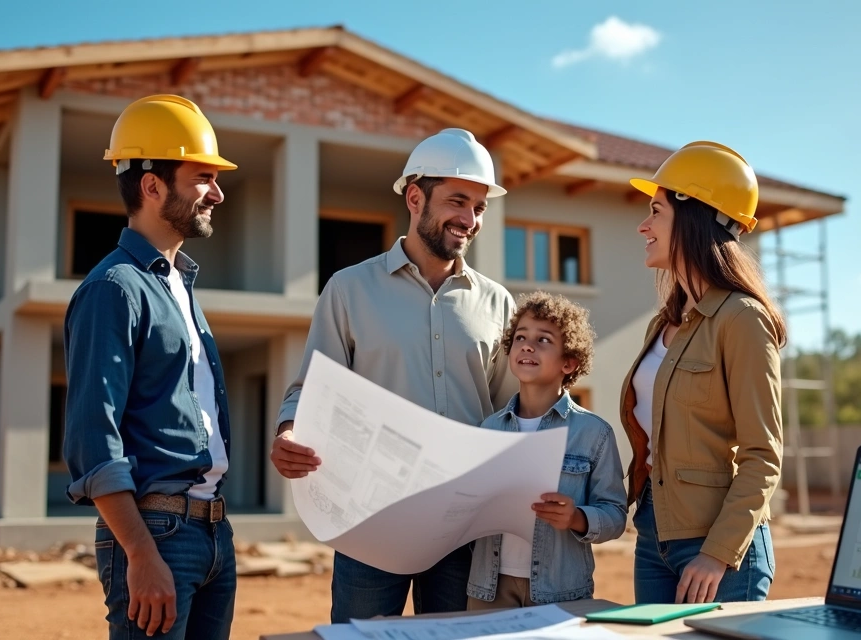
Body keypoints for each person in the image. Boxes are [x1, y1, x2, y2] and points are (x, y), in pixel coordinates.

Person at [269, 128, 519, 622]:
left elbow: (508, 413)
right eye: (457, 202)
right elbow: (310, 390)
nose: (469, 219)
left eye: (479, 207)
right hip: (369, 519)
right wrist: (288, 430)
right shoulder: (348, 289)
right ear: (414, 196)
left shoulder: (498, 304)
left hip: (461, 526)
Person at [63, 94, 239, 640]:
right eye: (202, 177)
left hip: (212, 531)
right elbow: (96, 440)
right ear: (152, 185)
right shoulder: (114, 289)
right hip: (156, 534)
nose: (217, 192)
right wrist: (140, 554)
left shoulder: (177, 285)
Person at [620, 141, 785, 605]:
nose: (643, 225)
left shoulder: (742, 319)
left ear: (692, 216)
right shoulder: (662, 325)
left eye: (656, 210)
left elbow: (763, 455)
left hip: (720, 550)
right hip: (654, 536)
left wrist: (717, 553)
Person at [466, 291, 627, 610]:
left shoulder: (594, 433)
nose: (527, 345)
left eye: (543, 340)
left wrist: (577, 517)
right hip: (487, 591)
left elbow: (615, 515)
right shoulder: (489, 429)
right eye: (521, 337)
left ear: (569, 362)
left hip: (561, 592)